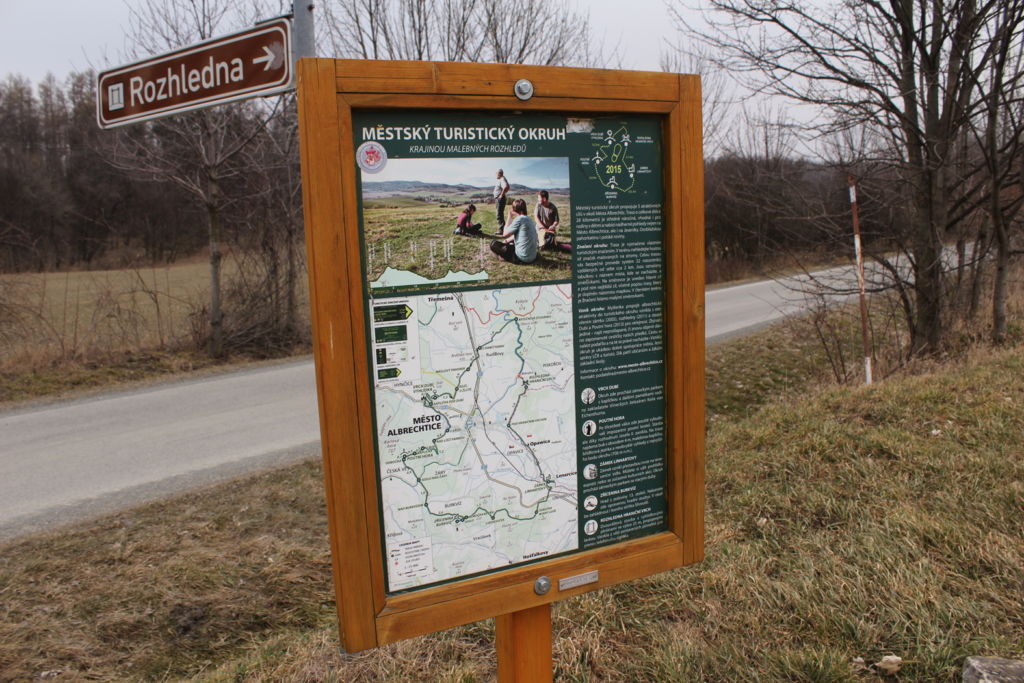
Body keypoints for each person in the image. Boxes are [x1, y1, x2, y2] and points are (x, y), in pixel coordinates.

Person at [490, 198, 537, 264]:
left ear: (514, 210)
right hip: (532, 257)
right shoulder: (529, 219)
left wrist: (509, 217)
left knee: (493, 243)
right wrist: (507, 240)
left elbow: (505, 234)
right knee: (510, 243)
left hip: (521, 258)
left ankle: (502, 256)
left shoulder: (519, 219)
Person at [493, 169, 510, 234]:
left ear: (499, 173)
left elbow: (506, 186)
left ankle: (502, 230)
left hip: (500, 199)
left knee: (499, 214)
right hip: (499, 199)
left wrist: (501, 195)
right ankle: (503, 229)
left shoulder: (502, 179)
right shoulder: (501, 179)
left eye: (496, 173)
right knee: (500, 214)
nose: (495, 174)